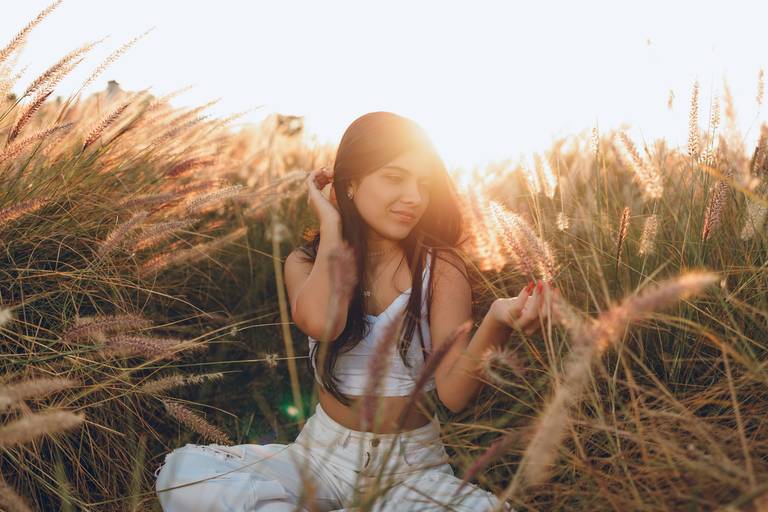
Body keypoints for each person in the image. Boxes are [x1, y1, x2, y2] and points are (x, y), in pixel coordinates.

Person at [154, 111, 552, 511]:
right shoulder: (305, 263)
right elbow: (324, 323)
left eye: (423, 183)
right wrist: (331, 225)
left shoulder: (440, 267)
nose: (413, 196)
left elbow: (452, 394)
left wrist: (499, 320)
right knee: (186, 478)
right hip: (319, 459)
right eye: (395, 178)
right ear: (352, 182)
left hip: (409, 473)